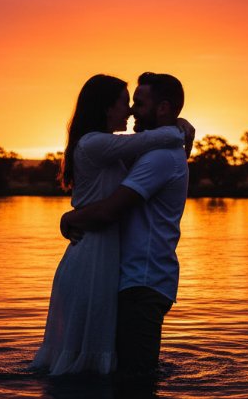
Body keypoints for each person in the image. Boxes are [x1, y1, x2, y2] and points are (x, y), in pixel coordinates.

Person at [30, 74, 193, 376]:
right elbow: (158, 140)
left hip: (138, 278)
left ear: (163, 108)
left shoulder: (155, 157)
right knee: (107, 370)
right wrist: (180, 128)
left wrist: (70, 218)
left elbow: (110, 211)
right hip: (105, 264)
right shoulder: (102, 145)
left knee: (127, 376)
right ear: (106, 108)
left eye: (138, 103)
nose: (131, 111)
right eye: (126, 103)